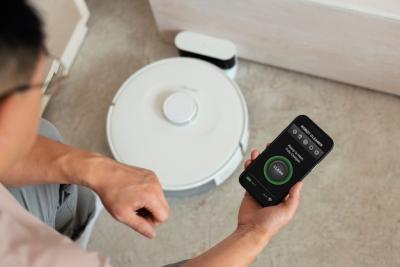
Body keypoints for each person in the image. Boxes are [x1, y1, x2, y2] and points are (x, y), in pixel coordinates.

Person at [0, 1, 303, 266]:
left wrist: (97, 168)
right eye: (47, 82)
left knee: (43, 133)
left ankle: (66, 225)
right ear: (9, 108)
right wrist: (254, 233)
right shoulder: (38, 259)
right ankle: (65, 232)